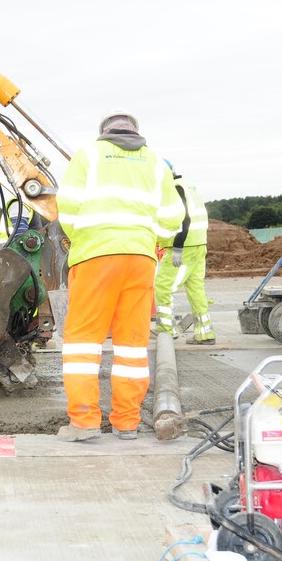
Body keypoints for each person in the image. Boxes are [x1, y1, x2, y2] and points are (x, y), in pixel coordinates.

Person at [55, 111, 184, 442]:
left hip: (96, 257)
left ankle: (84, 421)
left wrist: (84, 238)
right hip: (140, 258)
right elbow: (172, 219)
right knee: (132, 344)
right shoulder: (156, 163)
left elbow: (66, 210)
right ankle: (126, 423)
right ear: (135, 132)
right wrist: (147, 239)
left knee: (83, 340)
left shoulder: (88, 155)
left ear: (104, 132)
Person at [154, 160, 215, 345]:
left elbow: (184, 218)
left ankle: (165, 330)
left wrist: (178, 247)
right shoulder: (189, 186)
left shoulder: (175, 188)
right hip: (199, 244)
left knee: (163, 287)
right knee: (196, 289)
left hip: (183, 246)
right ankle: (205, 333)